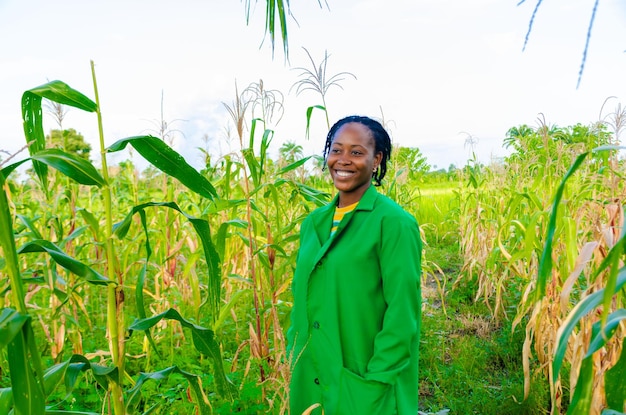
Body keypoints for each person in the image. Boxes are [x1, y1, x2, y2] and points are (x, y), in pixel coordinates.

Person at [287, 115, 422, 414]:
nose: (343, 160)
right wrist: (292, 354)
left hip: (364, 383)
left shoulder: (394, 223)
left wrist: (375, 382)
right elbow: (303, 300)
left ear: (377, 160)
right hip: (309, 378)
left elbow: (403, 315)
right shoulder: (314, 223)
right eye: (336, 150)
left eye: (357, 152)